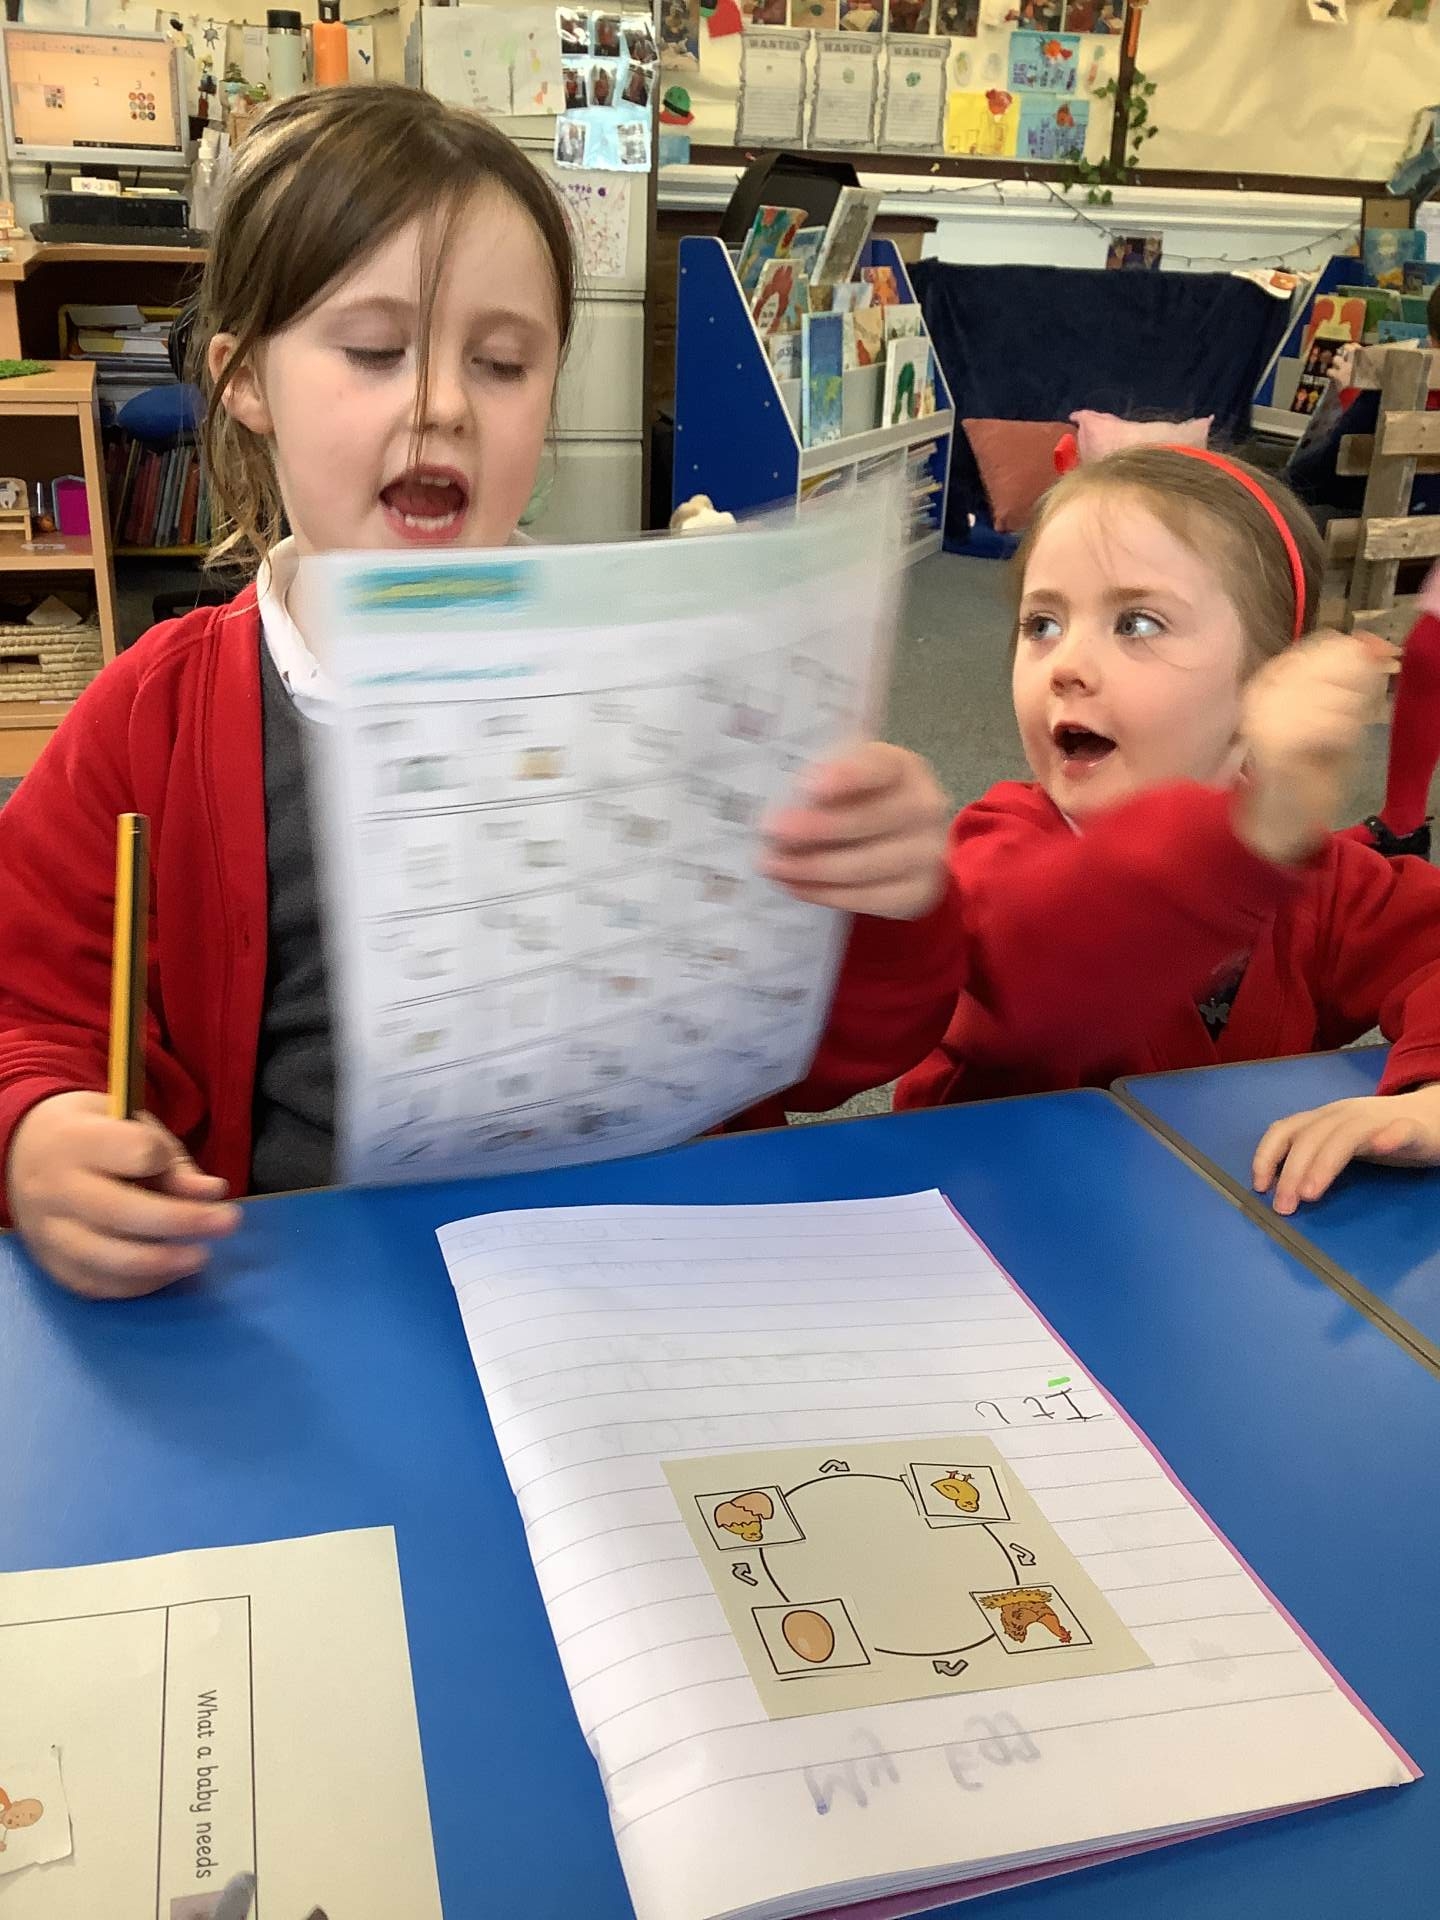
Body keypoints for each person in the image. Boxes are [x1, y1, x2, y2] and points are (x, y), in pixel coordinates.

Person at [0, 85, 947, 1299]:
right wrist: (40, 1129)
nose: (442, 404)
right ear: (244, 380)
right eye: (373, 351)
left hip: (638, 1274)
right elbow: (29, 1005)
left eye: (501, 364)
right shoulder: (154, 716)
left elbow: (829, 1054)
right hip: (313, 1295)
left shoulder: (674, 678)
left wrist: (883, 898)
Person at [881, 445, 1440, 1215]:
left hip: (1213, 1242)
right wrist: (1249, 837)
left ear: (1270, 678)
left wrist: (1428, 1100)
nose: (1066, 664)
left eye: (1137, 623)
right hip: (988, 1240)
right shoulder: (996, 848)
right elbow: (1045, 981)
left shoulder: (1324, 880)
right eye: (1042, 623)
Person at [1286, 283, 1440, 516]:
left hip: (1392, 528)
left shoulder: (1394, 389)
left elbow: (1315, 477)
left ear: (1431, 340)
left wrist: (1353, 394)